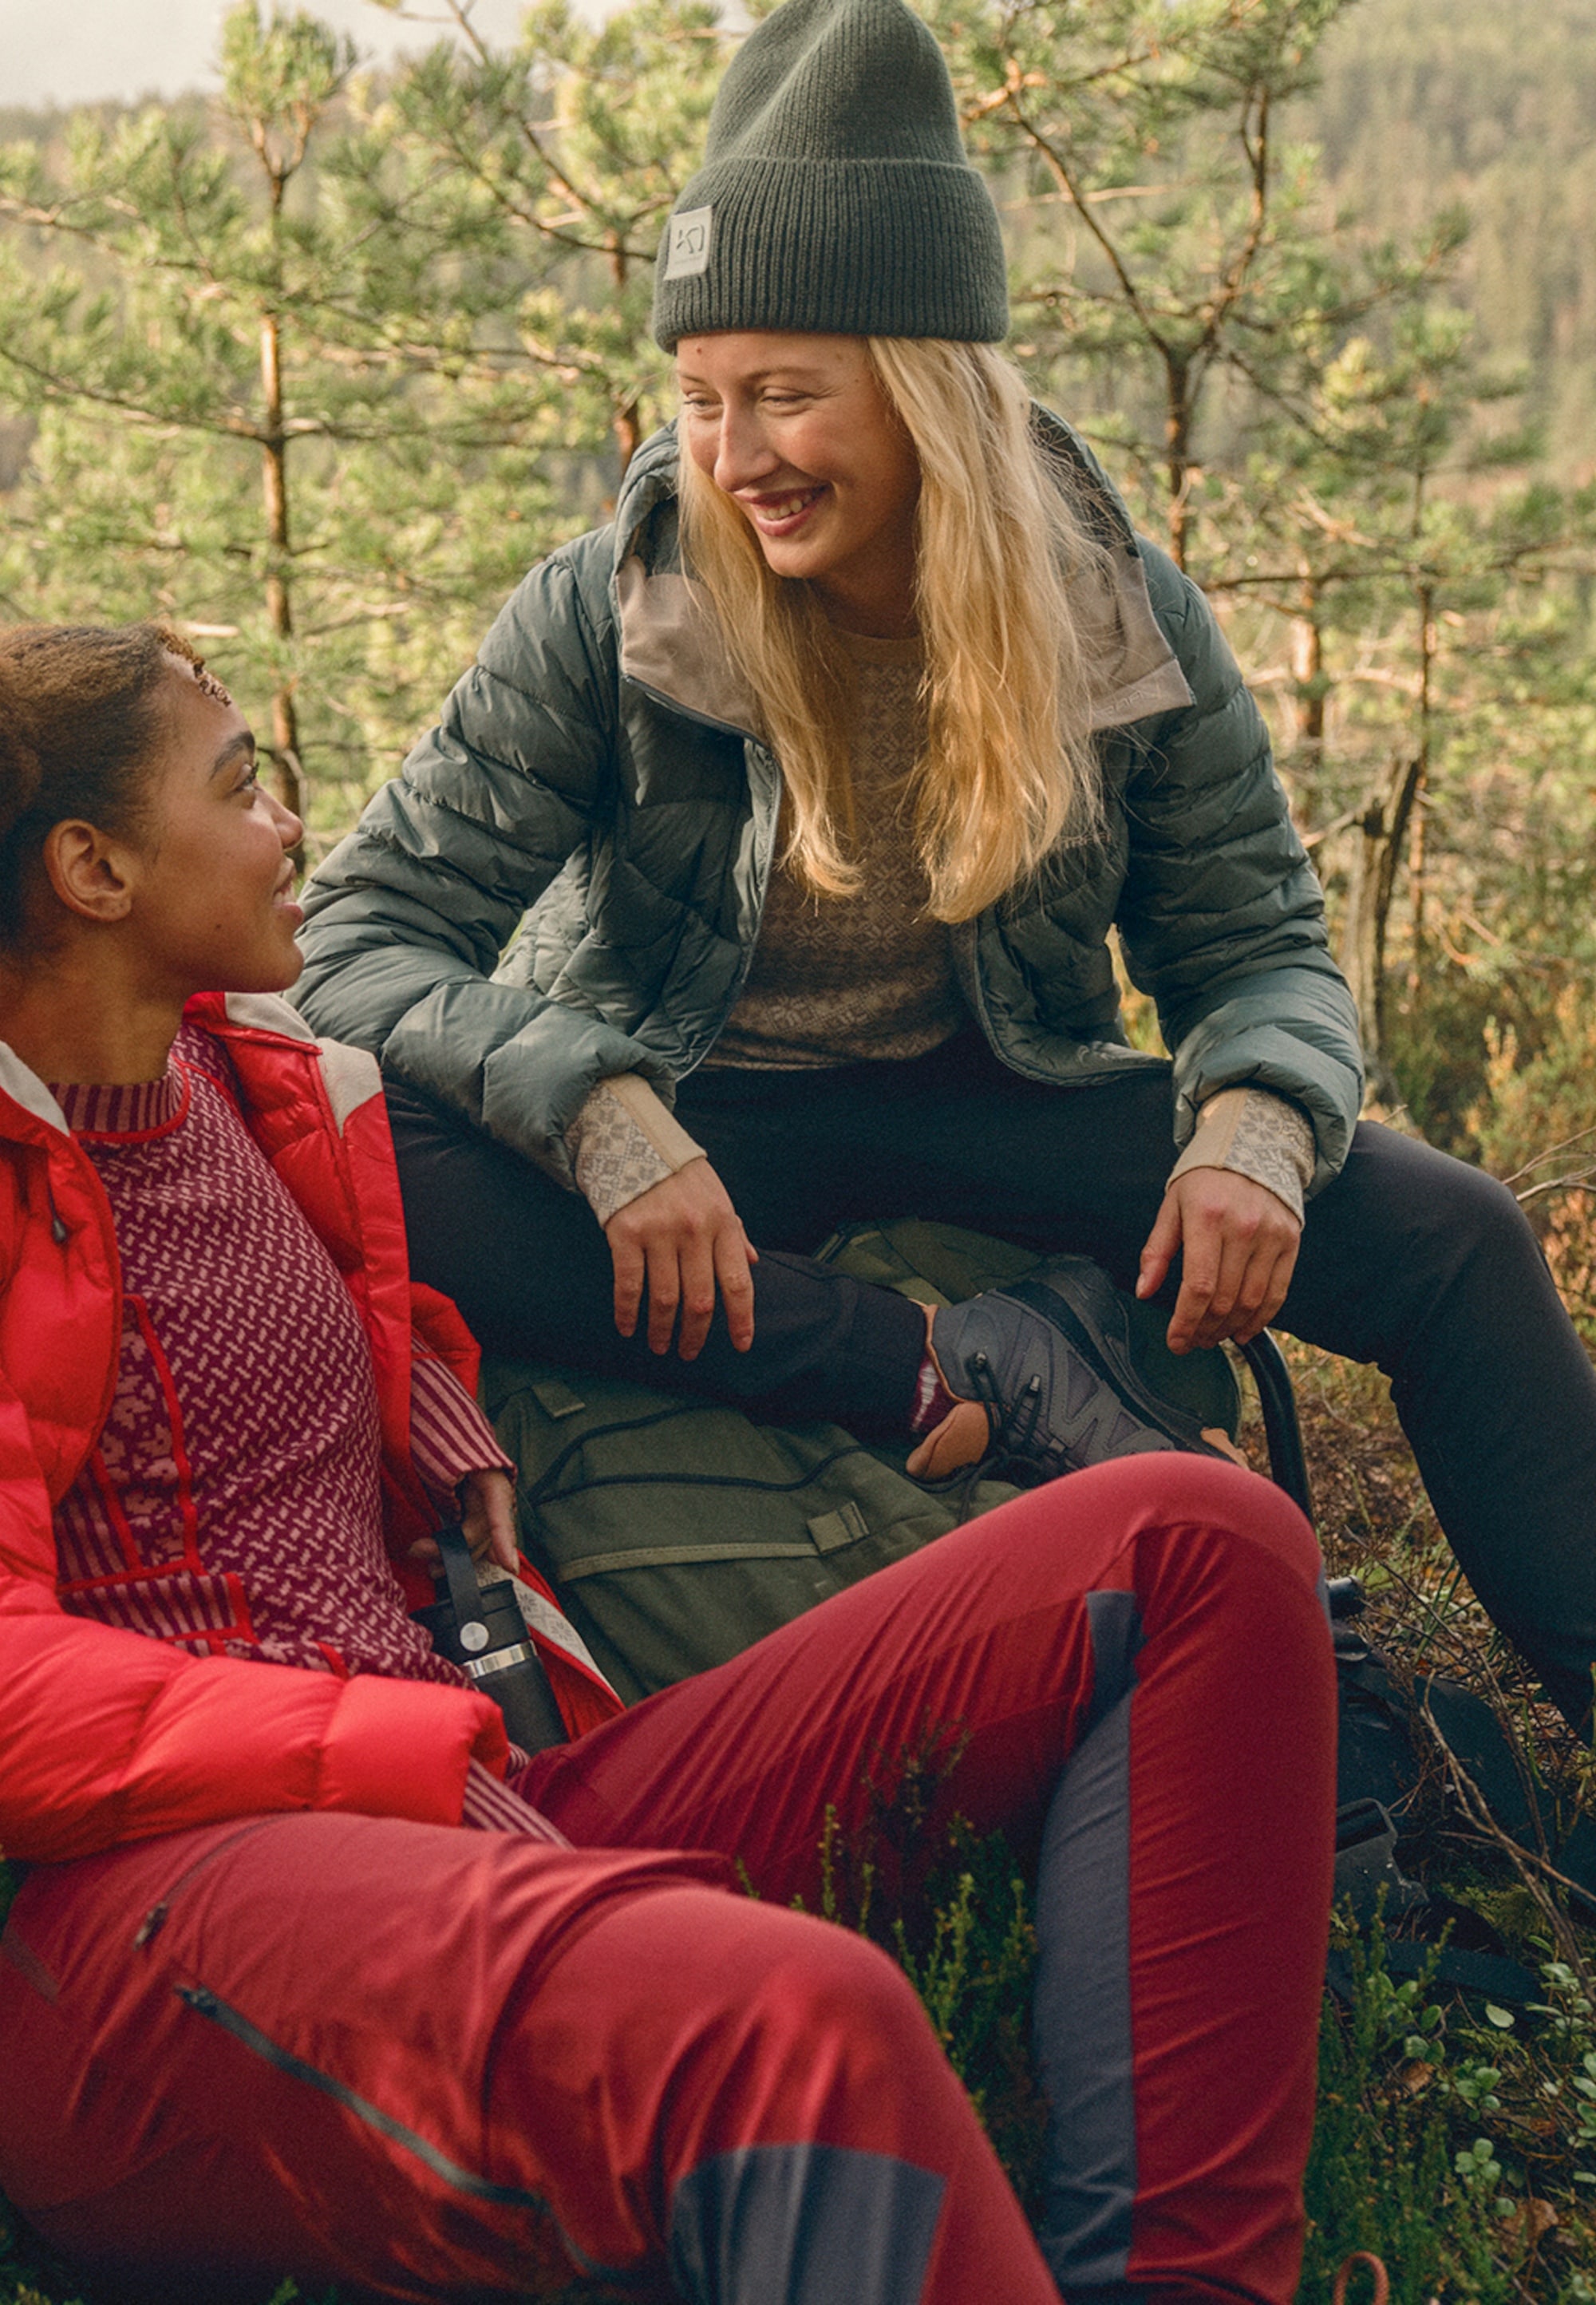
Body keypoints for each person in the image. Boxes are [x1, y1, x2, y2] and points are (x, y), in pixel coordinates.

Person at [0, 617, 1338, 2305]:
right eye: (242, 787)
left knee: (1195, 1538)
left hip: (464, 1790)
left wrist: (436, 1408)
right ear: (92, 866)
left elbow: (279, 1333)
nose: (292, 828)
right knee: (791, 2020)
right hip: (144, 1927)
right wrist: (388, 1744)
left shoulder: (237, 1076)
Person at [294, 0, 1596, 1727]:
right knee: (380, 1190)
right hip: (701, 1110)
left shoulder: (1115, 613)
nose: (733, 455)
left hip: (995, 1094)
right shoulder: (613, 608)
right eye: (699, 398)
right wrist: (598, 1113)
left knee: (1453, 1235)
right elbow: (360, 936)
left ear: (926, 388)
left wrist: (1258, 1130)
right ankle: (924, 1358)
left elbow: (1257, 943)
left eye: (785, 394)